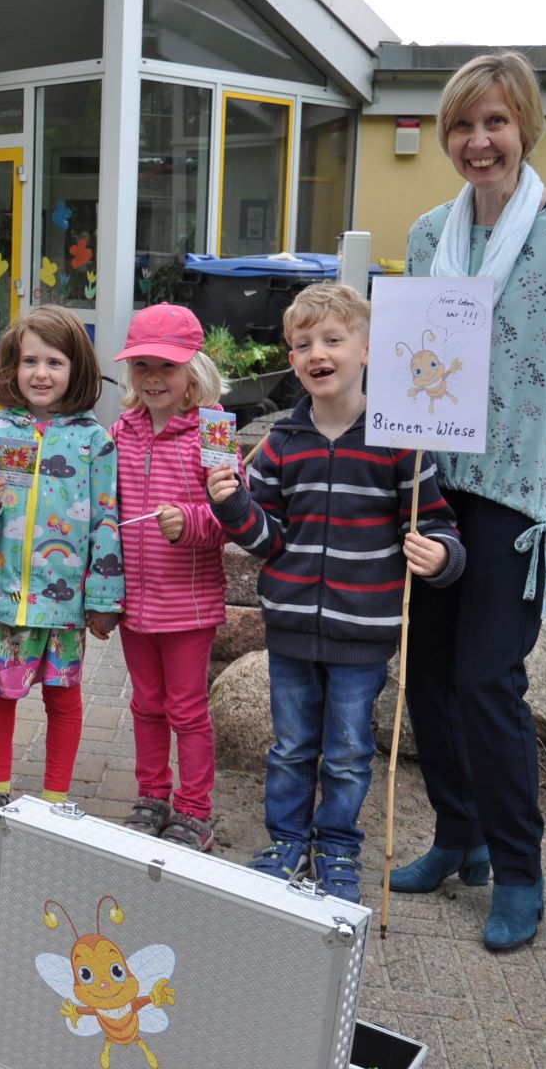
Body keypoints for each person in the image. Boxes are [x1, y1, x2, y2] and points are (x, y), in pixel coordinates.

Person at [392, 51, 546, 948]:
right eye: (460, 125)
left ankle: (519, 869)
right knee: (428, 677)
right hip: (434, 490)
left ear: (524, 126)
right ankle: (459, 837)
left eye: (493, 122)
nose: (475, 141)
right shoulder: (425, 234)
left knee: (488, 680)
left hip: (521, 495)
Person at [205, 283, 466, 904]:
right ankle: (288, 841)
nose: (316, 352)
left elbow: (437, 523)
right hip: (292, 627)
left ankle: (339, 848)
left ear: (367, 350)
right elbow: (266, 539)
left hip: (365, 631)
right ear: (292, 360)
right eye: (302, 344)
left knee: (348, 752)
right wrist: (232, 504)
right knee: (292, 746)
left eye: (332, 339)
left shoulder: (401, 438)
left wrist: (442, 557)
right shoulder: (280, 443)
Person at [0, 305, 123, 844]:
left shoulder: (94, 442)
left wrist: (103, 598)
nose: (41, 373)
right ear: (11, 365)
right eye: (30, 360)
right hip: (7, 596)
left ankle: (54, 801)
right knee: (1, 694)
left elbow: (106, 522)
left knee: (64, 696)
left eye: (55, 361)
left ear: (78, 370)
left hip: (67, 602)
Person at [110, 304, 231, 852]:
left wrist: (193, 522)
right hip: (135, 601)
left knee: (187, 709)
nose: (153, 378)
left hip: (189, 603)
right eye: (141, 367)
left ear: (194, 371)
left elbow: (236, 512)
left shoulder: (215, 431)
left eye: (167, 366)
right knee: (145, 703)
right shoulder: (120, 430)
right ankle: (152, 796)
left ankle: (195, 809)